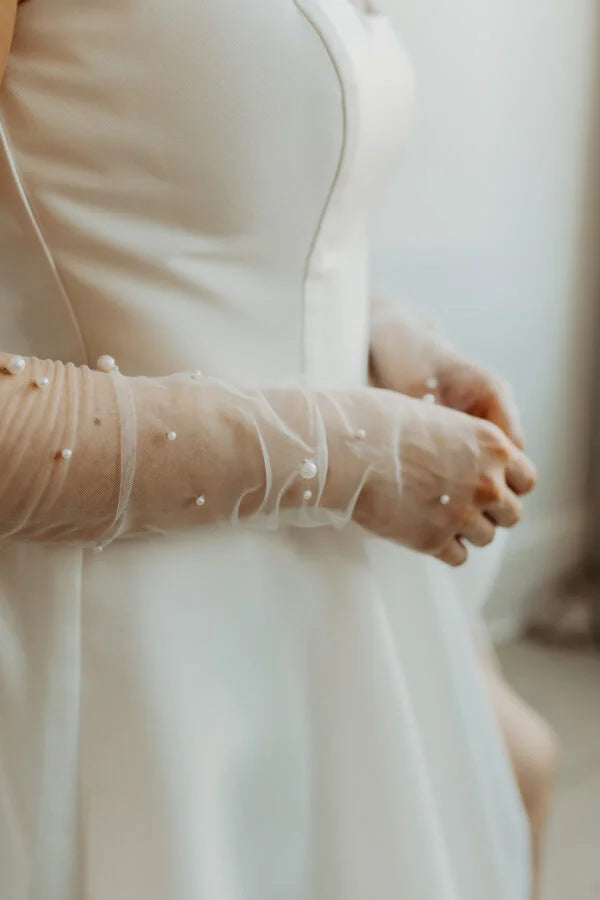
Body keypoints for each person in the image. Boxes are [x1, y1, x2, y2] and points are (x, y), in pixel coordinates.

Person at [0, 1, 538, 897]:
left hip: (344, 619)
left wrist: (391, 339)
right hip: (123, 667)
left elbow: (238, 212)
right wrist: (352, 453)